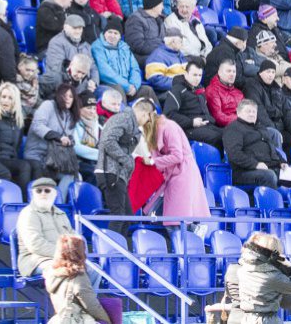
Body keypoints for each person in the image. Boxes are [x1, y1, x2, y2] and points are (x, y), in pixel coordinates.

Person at [139, 101, 211, 225]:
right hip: (170, 175)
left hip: (182, 173)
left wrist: (152, 161)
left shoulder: (169, 126)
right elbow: (155, 157)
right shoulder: (150, 131)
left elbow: (177, 156)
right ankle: (193, 229)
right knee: (170, 221)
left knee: (176, 222)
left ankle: (194, 229)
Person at [96, 97, 153, 236]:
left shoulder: (131, 124)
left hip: (118, 174)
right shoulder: (124, 118)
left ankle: (118, 245)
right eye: (149, 118)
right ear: (145, 113)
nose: (148, 122)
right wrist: (126, 160)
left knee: (127, 216)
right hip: (110, 172)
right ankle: (110, 247)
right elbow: (107, 141)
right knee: (119, 215)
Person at [237, 231, 291, 324]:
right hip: (267, 320)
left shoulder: (242, 269)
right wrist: (290, 266)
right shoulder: (272, 276)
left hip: (246, 319)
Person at [44, 234, 112, 324]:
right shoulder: (77, 276)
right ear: (79, 253)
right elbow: (92, 305)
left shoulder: (53, 275)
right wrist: (108, 321)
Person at [16, 177, 76, 278]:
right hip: (36, 260)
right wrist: (64, 253)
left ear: (55, 193)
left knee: (93, 270)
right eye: (38, 191)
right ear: (33, 194)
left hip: (62, 258)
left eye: (47, 190)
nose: (43, 193)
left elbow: (73, 237)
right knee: (66, 269)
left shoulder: (61, 214)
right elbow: (35, 244)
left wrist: (75, 252)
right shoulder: (28, 213)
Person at [0, 82, 32, 195]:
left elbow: (16, 147)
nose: (6, 101)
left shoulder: (18, 122)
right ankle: (23, 202)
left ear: (15, 101)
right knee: (24, 166)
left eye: (10, 98)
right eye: (3, 97)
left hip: (10, 159)